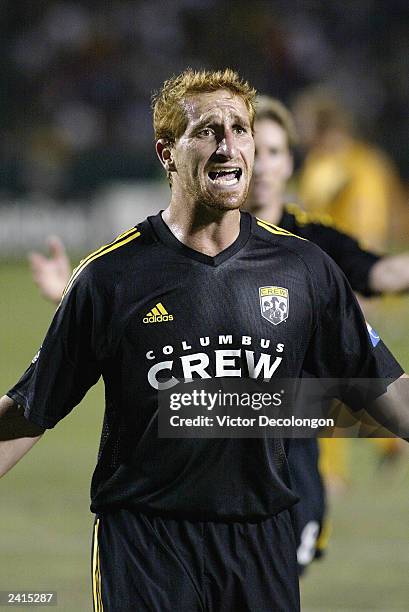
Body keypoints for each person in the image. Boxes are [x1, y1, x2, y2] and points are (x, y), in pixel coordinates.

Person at [1, 69, 407, 611]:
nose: (229, 143)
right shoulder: (110, 276)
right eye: (208, 130)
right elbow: (30, 409)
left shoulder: (306, 268)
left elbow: (386, 393)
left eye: (240, 129)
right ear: (167, 153)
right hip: (146, 544)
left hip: (262, 543)